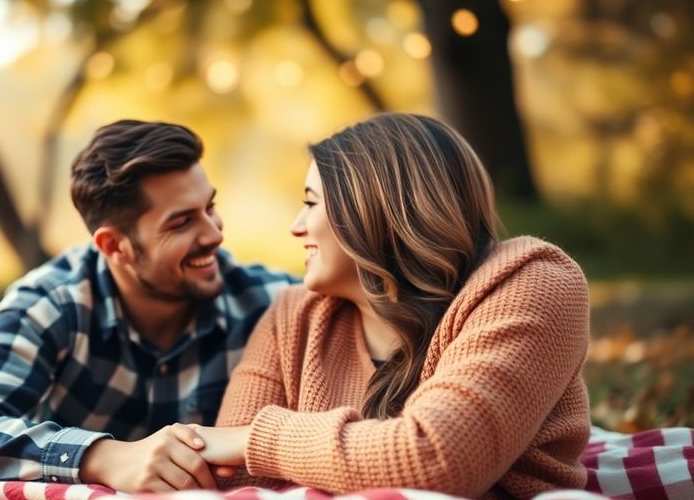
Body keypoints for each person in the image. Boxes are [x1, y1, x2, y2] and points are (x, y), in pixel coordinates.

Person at [171, 113, 590, 499]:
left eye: (311, 202)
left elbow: (439, 459)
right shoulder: (293, 315)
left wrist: (256, 440)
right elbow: (230, 478)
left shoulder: (533, 281)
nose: (295, 227)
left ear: (377, 207)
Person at [0, 120, 297, 492]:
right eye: (181, 223)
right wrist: (103, 458)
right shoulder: (52, 304)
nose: (214, 233)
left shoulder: (270, 302)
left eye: (209, 207)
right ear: (114, 246)